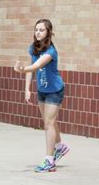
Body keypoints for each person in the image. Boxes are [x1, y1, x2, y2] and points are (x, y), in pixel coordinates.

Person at [14, 19, 70, 173]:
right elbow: (31, 69)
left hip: (54, 90)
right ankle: (60, 147)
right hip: (42, 90)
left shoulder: (51, 52)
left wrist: (21, 69)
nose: (38, 32)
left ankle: (49, 161)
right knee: (48, 122)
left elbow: (36, 66)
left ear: (48, 33)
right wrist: (27, 89)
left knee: (48, 124)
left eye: (41, 30)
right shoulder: (33, 48)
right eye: (36, 29)